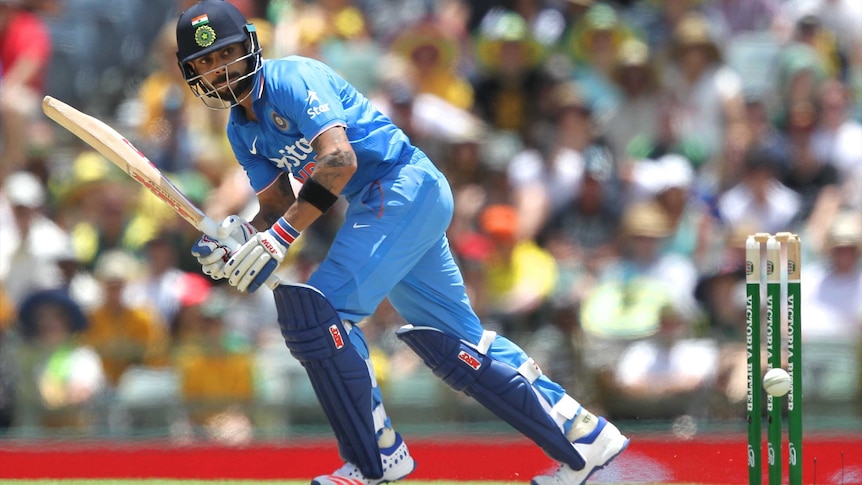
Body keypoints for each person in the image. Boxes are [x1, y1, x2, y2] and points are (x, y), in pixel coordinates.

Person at [174, 1, 629, 484]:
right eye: (204, 63)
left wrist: (278, 238)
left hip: (398, 186)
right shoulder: (240, 129)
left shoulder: (290, 79)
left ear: (250, 47)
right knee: (459, 345)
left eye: (225, 55)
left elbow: (340, 160)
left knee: (319, 312)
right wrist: (240, 238)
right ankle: (583, 437)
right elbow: (275, 205)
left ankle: (376, 458)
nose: (218, 70)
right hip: (389, 202)